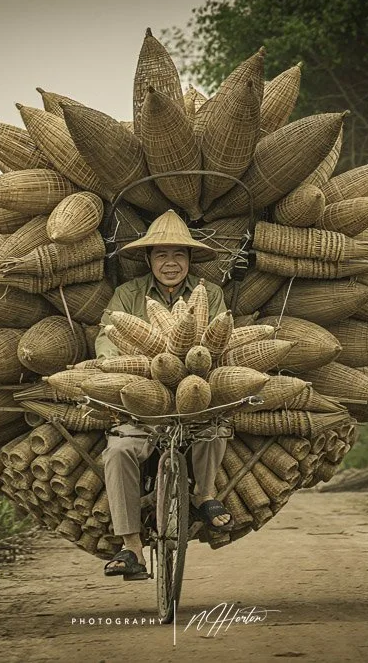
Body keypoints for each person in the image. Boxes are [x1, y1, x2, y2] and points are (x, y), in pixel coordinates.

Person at [96, 209, 235, 580]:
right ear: (148, 259)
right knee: (119, 450)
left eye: (179, 255)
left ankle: (204, 496)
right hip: (143, 396)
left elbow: (221, 341)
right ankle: (131, 547)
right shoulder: (127, 295)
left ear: (190, 260)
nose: (170, 263)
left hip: (195, 390)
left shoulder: (211, 294)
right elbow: (107, 338)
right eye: (161, 255)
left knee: (216, 427)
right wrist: (120, 367)